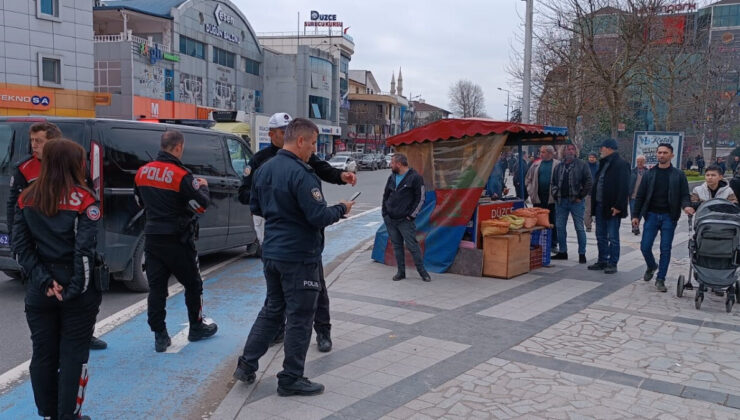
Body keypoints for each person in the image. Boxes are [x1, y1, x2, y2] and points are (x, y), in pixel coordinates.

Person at [232, 118, 353, 397]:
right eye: (312, 144)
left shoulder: (264, 170)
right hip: (299, 256)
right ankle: (291, 378)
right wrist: (342, 208)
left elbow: (256, 206)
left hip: (272, 252)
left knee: (273, 310)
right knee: (300, 316)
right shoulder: (302, 173)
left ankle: (247, 364)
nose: (313, 150)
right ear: (300, 141)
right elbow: (318, 216)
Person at [13, 139, 101, 420]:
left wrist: (44, 281)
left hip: (41, 288)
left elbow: (21, 248)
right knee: (74, 354)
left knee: (43, 354)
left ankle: (49, 413)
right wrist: (74, 289)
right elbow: (84, 251)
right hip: (77, 285)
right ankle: (68, 415)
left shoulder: (26, 197)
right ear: (74, 164)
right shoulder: (85, 199)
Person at [6, 122, 108, 351]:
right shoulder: (25, 168)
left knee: (88, 293)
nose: (34, 145)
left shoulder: (75, 162)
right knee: (43, 299)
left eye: (39, 141)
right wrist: (16, 239)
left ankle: (85, 333)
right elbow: (15, 204)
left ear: (53, 143)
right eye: (32, 140)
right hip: (39, 243)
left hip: (71, 240)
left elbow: (87, 194)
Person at [134, 130, 217, 352]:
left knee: (157, 289)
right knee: (193, 284)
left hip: (152, 238)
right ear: (178, 147)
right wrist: (204, 186)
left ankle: (160, 336)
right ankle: (196, 327)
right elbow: (200, 206)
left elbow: (139, 202)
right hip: (178, 240)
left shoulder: (142, 172)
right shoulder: (181, 175)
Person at [632, 143, 694, 292]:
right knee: (645, 246)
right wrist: (636, 215)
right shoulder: (649, 174)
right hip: (651, 215)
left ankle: (661, 279)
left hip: (669, 217)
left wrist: (686, 206)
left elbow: (685, 195)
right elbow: (640, 196)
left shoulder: (678, 175)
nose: (661, 155)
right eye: (659, 152)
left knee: (665, 249)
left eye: (665, 153)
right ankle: (652, 265)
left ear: (671, 155)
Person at [382, 153, 431, 282]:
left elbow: (420, 198)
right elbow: (385, 195)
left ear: (399, 164)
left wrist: (411, 216)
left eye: (392, 163)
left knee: (412, 246)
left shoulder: (415, 178)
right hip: (391, 219)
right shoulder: (392, 177)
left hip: (405, 220)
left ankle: (423, 272)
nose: (390, 165)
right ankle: (401, 272)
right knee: (397, 247)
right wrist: (384, 213)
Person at [588, 138, 630, 274]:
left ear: (609, 148)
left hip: (612, 208)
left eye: (602, 148)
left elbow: (624, 187)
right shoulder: (603, 163)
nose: (601, 150)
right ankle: (602, 260)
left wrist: (618, 206)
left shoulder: (621, 164)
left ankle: (613, 262)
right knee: (600, 235)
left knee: (612, 236)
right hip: (600, 205)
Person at [551, 144, 592, 263]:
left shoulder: (582, 165)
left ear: (576, 151)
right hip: (561, 201)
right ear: (563, 151)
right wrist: (555, 193)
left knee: (579, 227)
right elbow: (553, 182)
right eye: (568, 149)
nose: (570, 151)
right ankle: (563, 251)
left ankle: (582, 253)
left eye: (573, 149)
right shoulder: (559, 166)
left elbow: (589, 181)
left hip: (576, 201)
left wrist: (581, 196)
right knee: (560, 227)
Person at [525, 145, 560, 252]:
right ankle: (538, 242)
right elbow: (528, 179)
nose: (541, 154)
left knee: (552, 220)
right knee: (538, 220)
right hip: (538, 198)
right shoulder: (536, 164)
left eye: (543, 152)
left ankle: (553, 243)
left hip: (552, 199)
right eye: (541, 152)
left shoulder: (557, 165)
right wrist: (531, 191)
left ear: (550, 153)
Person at [629, 155, 649, 235]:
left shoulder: (648, 172)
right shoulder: (632, 171)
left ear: (644, 162)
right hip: (633, 196)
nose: (639, 163)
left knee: (640, 213)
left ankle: (636, 225)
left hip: (644, 197)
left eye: (641, 161)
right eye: (638, 161)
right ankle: (635, 227)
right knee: (633, 212)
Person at [584, 153, 599, 232]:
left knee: (598, 209)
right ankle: (588, 226)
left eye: (593, 157)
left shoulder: (599, 166)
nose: (591, 159)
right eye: (590, 157)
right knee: (588, 210)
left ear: (596, 158)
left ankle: (599, 225)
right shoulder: (585, 166)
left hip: (598, 192)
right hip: (588, 192)